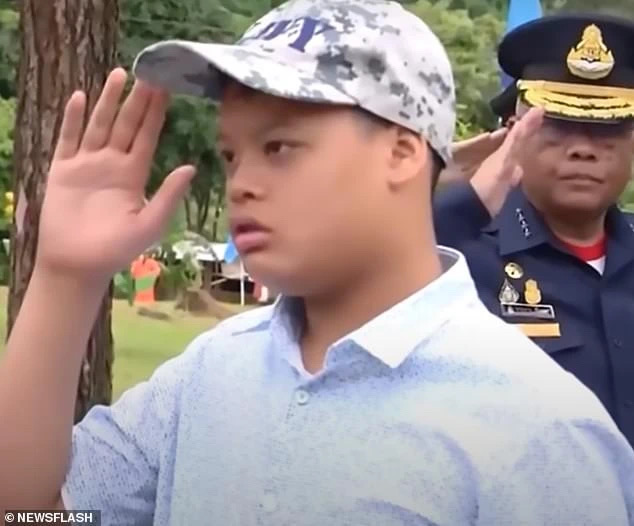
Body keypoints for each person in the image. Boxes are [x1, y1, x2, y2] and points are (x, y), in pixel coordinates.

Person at [1, 1, 633, 524]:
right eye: (231, 155)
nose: (243, 183)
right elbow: (33, 514)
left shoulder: (539, 430)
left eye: (279, 147)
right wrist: (66, 277)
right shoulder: (208, 372)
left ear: (401, 153)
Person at [434, 13, 634, 447]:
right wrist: (428, 183)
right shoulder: (455, 255)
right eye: (558, 124)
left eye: (608, 127)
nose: (583, 149)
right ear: (515, 132)